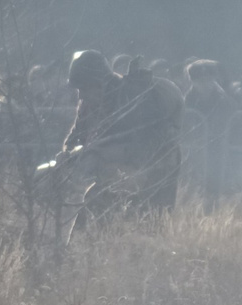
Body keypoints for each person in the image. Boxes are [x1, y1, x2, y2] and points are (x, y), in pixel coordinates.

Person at [52, 49, 184, 215]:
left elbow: (140, 149)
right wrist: (67, 154)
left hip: (155, 168)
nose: (81, 95)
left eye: (85, 88)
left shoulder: (132, 102)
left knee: (151, 222)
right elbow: (76, 137)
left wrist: (96, 154)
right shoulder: (88, 105)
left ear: (102, 83)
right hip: (116, 176)